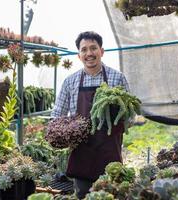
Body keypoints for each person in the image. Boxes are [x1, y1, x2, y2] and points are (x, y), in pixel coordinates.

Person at [51, 31, 129, 199]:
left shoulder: (117, 78)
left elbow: (130, 114)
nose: (89, 53)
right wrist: (59, 133)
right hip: (82, 154)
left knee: (113, 195)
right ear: (79, 55)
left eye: (93, 48)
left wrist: (117, 125)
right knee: (82, 195)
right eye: (84, 49)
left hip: (110, 152)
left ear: (101, 51)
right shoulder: (70, 81)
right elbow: (58, 114)